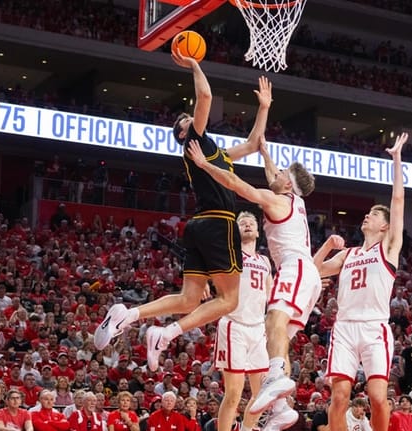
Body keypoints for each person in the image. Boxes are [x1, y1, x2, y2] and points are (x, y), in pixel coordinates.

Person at [93, 51, 274, 373]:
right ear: (183, 134)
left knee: (190, 299)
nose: (193, 119)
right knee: (230, 301)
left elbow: (251, 144)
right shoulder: (195, 142)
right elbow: (204, 95)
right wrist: (194, 63)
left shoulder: (215, 152)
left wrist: (263, 107)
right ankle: (165, 334)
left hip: (200, 224)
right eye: (187, 121)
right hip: (219, 222)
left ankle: (130, 316)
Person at [187, 136, 318, 423]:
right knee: (276, 333)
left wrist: (204, 165)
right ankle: (281, 409)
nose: (277, 173)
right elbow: (274, 176)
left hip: (293, 267)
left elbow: (237, 186)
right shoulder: (293, 199)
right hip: (305, 273)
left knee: (273, 321)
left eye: (283, 173)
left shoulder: (276, 199)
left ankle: (276, 379)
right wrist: (265, 152)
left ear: (287, 185)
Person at [313, 133, 407, 431]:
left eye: (373, 215)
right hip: (344, 326)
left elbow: (398, 199)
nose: (366, 217)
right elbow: (313, 272)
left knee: (378, 397)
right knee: (339, 397)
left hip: (374, 326)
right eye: (366, 214)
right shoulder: (349, 253)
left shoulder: (388, 248)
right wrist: (328, 245)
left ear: (385, 225)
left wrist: (396, 159)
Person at [213, 212, 276, 431]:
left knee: (261, 394)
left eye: (251, 223)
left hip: (257, 328)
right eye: (242, 223)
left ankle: (247, 429)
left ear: (258, 232)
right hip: (234, 325)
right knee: (233, 393)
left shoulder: (265, 261)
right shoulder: (230, 254)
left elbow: (272, 294)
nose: (248, 225)